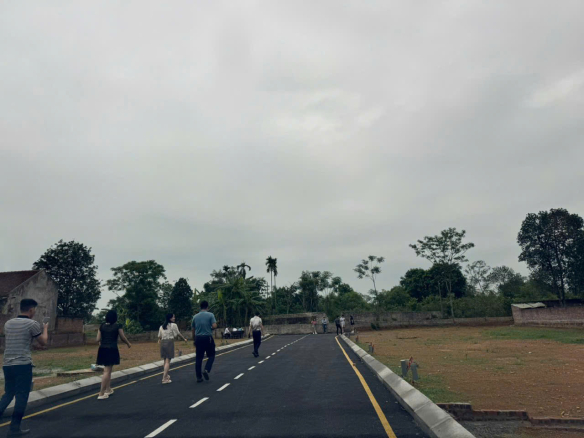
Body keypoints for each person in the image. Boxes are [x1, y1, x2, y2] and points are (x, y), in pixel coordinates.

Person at [0, 299, 48, 436]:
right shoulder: (32, 324)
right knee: (21, 397)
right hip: (22, 365)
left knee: (8, 393)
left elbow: (16, 340)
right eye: (34, 310)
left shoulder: (8, 323)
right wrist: (45, 328)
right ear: (31, 310)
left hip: (7, 364)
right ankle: (14, 429)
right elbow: (43, 342)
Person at [96, 310, 131, 399]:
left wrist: (102, 342)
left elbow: (98, 339)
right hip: (112, 349)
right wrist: (128, 343)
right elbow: (122, 337)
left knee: (108, 370)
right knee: (107, 371)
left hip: (102, 349)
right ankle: (101, 393)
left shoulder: (101, 326)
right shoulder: (118, 326)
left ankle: (108, 389)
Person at [158, 313, 187, 384]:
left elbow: (159, 336)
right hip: (169, 343)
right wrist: (184, 339)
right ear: (170, 318)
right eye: (173, 317)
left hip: (163, 343)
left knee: (165, 360)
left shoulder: (162, 326)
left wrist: (159, 340)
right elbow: (178, 333)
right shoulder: (173, 325)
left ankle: (166, 376)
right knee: (168, 361)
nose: (174, 318)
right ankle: (164, 378)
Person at [192, 301, 217, 383]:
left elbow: (193, 329)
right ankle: (206, 369)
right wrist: (210, 328)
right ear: (207, 307)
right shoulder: (210, 315)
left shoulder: (195, 317)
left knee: (199, 358)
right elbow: (214, 326)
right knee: (211, 355)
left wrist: (194, 339)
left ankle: (198, 377)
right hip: (207, 338)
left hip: (198, 338)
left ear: (200, 307)